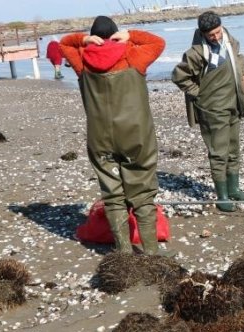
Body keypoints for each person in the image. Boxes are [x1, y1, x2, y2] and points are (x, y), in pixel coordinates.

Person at [59, 16, 168, 255]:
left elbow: (64, 44)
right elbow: (158, 43)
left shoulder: (83, 62)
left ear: (95, 37)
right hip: (135, 134)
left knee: (112, 193)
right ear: (116, 35)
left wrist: (83, 39)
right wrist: (132, 35)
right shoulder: (132, 55)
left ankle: (124, 250)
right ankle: (150, 251)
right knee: (142, 191)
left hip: (100, 136)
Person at [172, 11, 244, 212]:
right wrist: (199, 94)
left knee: (234, 149)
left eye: (217, 32)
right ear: (202, 33)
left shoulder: (228, 38)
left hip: (234, 104)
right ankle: (222, 196)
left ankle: (234, 189)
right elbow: (179, 76)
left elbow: (239, 56)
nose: (215, 37)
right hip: (212, 109)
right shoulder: (197, 52)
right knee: (218, 153)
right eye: (210, 35)